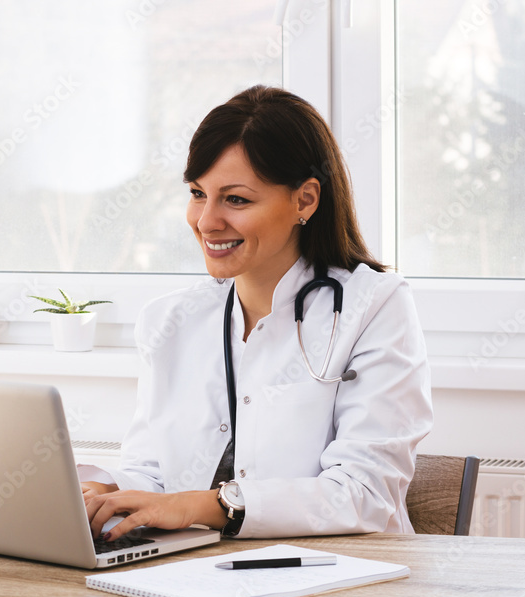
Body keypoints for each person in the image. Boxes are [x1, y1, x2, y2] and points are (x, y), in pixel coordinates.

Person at [82, 85, 432, 543]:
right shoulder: (169, 319)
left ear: (305, 200)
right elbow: (153, 471)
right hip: (193, 572)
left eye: (236, 200)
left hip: (336, 576)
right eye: (197, 193)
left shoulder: (376, 305)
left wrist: (206, 504)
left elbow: (364, 494)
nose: (206, 221)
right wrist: (109, 491)